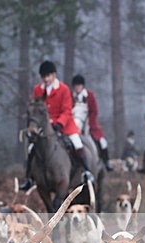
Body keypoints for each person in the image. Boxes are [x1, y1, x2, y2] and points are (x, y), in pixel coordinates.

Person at [19, 61, 94, 191]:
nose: (46, 79)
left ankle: (86, 172)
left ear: (54, 75)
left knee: (77, 144)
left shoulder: (64, 89)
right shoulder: (37, 89)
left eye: (48, 76)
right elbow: (36, 109)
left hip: (64, 125)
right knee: (32, 148)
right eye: (44, 76)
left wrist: (59, 123)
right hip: (43, 127)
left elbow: (66, 110)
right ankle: (29, 178)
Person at [71, 74, 113, 171]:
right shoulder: (70, 96)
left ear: (82, 86)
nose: (77, 88)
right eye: (76, 86)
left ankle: (106, 162)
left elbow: (94, 111)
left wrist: (90, 123)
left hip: (89, 123)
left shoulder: (89, 95)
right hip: (73, 123)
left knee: (103, 142)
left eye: (79, 85)